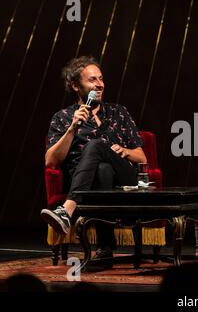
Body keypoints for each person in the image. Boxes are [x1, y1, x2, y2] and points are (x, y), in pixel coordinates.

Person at [40, 56, 147, 260]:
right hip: (84, 181)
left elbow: (141, 157)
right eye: (92, 80)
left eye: (101, 79)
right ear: (75, 86)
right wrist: (72, 129)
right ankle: (106, 247)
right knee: (102, 170)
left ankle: (67, 210)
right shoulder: (62, 117)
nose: (99, 85)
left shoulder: (119, 112)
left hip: (124, 179)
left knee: (97, 145)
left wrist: (124, 151)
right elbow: (51, 161)